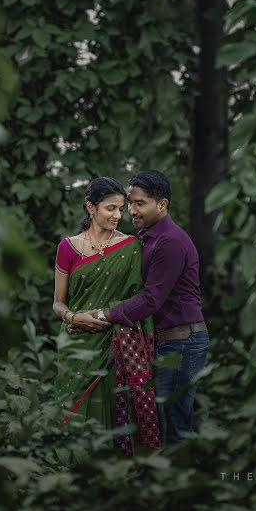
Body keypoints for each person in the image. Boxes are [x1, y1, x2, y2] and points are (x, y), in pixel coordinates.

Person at [80, 170, 208, 446]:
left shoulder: (170, 241)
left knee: (173, 424)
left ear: (162, 205)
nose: (132, 210)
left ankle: (184, 483)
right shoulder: (146, 238)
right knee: (163, 421)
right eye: (131, 203)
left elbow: (151, 299)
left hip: (182, 342)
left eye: (140, 203)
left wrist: (103, 315)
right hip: (165, 341)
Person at [53, 177, 161, 454]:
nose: (118, 215)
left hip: (119, 348)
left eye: (121, 209)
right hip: (77, 345)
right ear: (91, 207)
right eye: (110, 208)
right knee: (73, 418)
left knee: (115, 415)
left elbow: (142, 300)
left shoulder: (131, 247)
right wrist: (74, 318)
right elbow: (58, 304)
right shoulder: (68, 247)